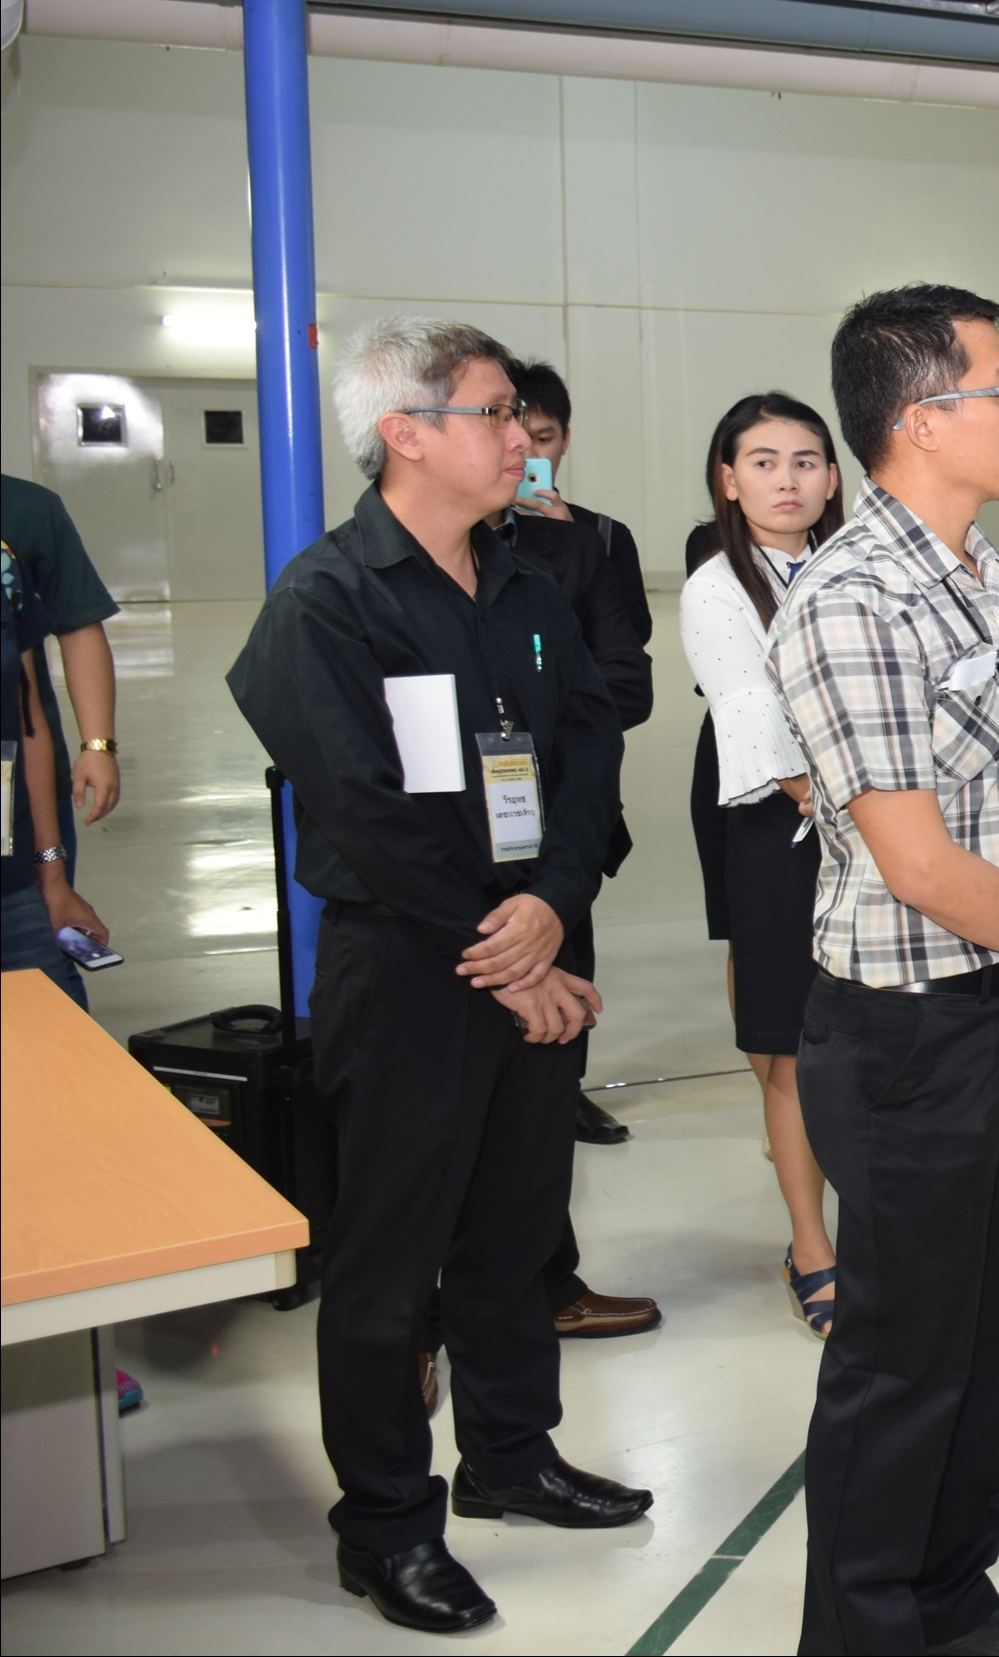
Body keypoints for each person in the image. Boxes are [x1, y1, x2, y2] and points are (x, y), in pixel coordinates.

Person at [227, 317, 643, 1637]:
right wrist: (502, 949)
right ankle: (386, 1526)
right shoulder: (326, 601)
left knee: (515, 1230)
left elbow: (588, 752)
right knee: (390, 1260)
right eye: (494, 412)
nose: (521, 435)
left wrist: (552, 906)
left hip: (534, 940)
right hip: (412, 961)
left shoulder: (524, 580)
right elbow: (357, 808)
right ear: (405, 433)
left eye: (519, 413)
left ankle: (510, 1456)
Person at [768, 284, 999, 1656]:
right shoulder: (850, 600)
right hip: (908, 1036)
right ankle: (861, 1633)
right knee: (901, 1365)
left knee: (992, 1343)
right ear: (922, 419)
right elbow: (916, 862)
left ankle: (949, 1601)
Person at [481, 358, 659, 1347]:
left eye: (538, 435)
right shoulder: (403, 563)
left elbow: (626, 689)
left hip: (559, 850)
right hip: (452, 870)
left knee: (548, 1082)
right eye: (503, 427)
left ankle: (550, 1280)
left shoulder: (587, 545)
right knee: (442, 1106)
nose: (522, 451)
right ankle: (428, 1318)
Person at [680, 393, 847, 1338]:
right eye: (764, 461)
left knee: (856, 1029)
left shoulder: (850, 563)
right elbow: (761, 727)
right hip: (778, 812)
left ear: (834, 476)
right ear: (729, 479)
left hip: (863, 812)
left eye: (806, 461)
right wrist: (864, 816)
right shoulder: (717, 584)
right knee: (789, 1038)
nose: (788, 480)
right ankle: (811, 1246)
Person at [3, 534, 103, 1005]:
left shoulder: (4, 565)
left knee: (51, 1032)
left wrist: (52, 874)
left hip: (10, 887)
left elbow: (29, 723)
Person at [0, 473, 124, 846]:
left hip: (21, 763)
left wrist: (98, 745)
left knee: (32, 873)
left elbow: (78, 627)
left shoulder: (28, 508)